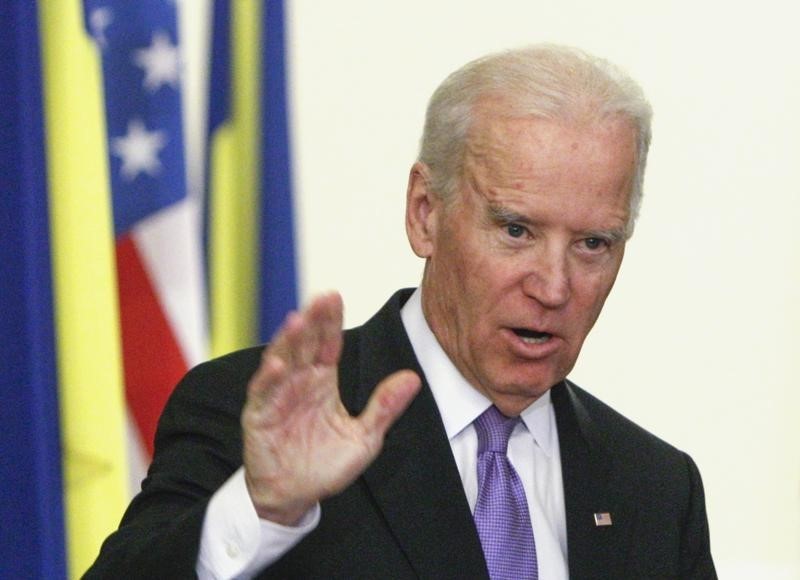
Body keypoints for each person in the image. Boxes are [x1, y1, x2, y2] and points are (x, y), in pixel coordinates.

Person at [86, 44, 716, 579]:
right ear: (425, 213)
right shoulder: (251, 417)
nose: (553, 287)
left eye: (593, 244)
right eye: (516, 230)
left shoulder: (656, 489)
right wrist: (260, 508)